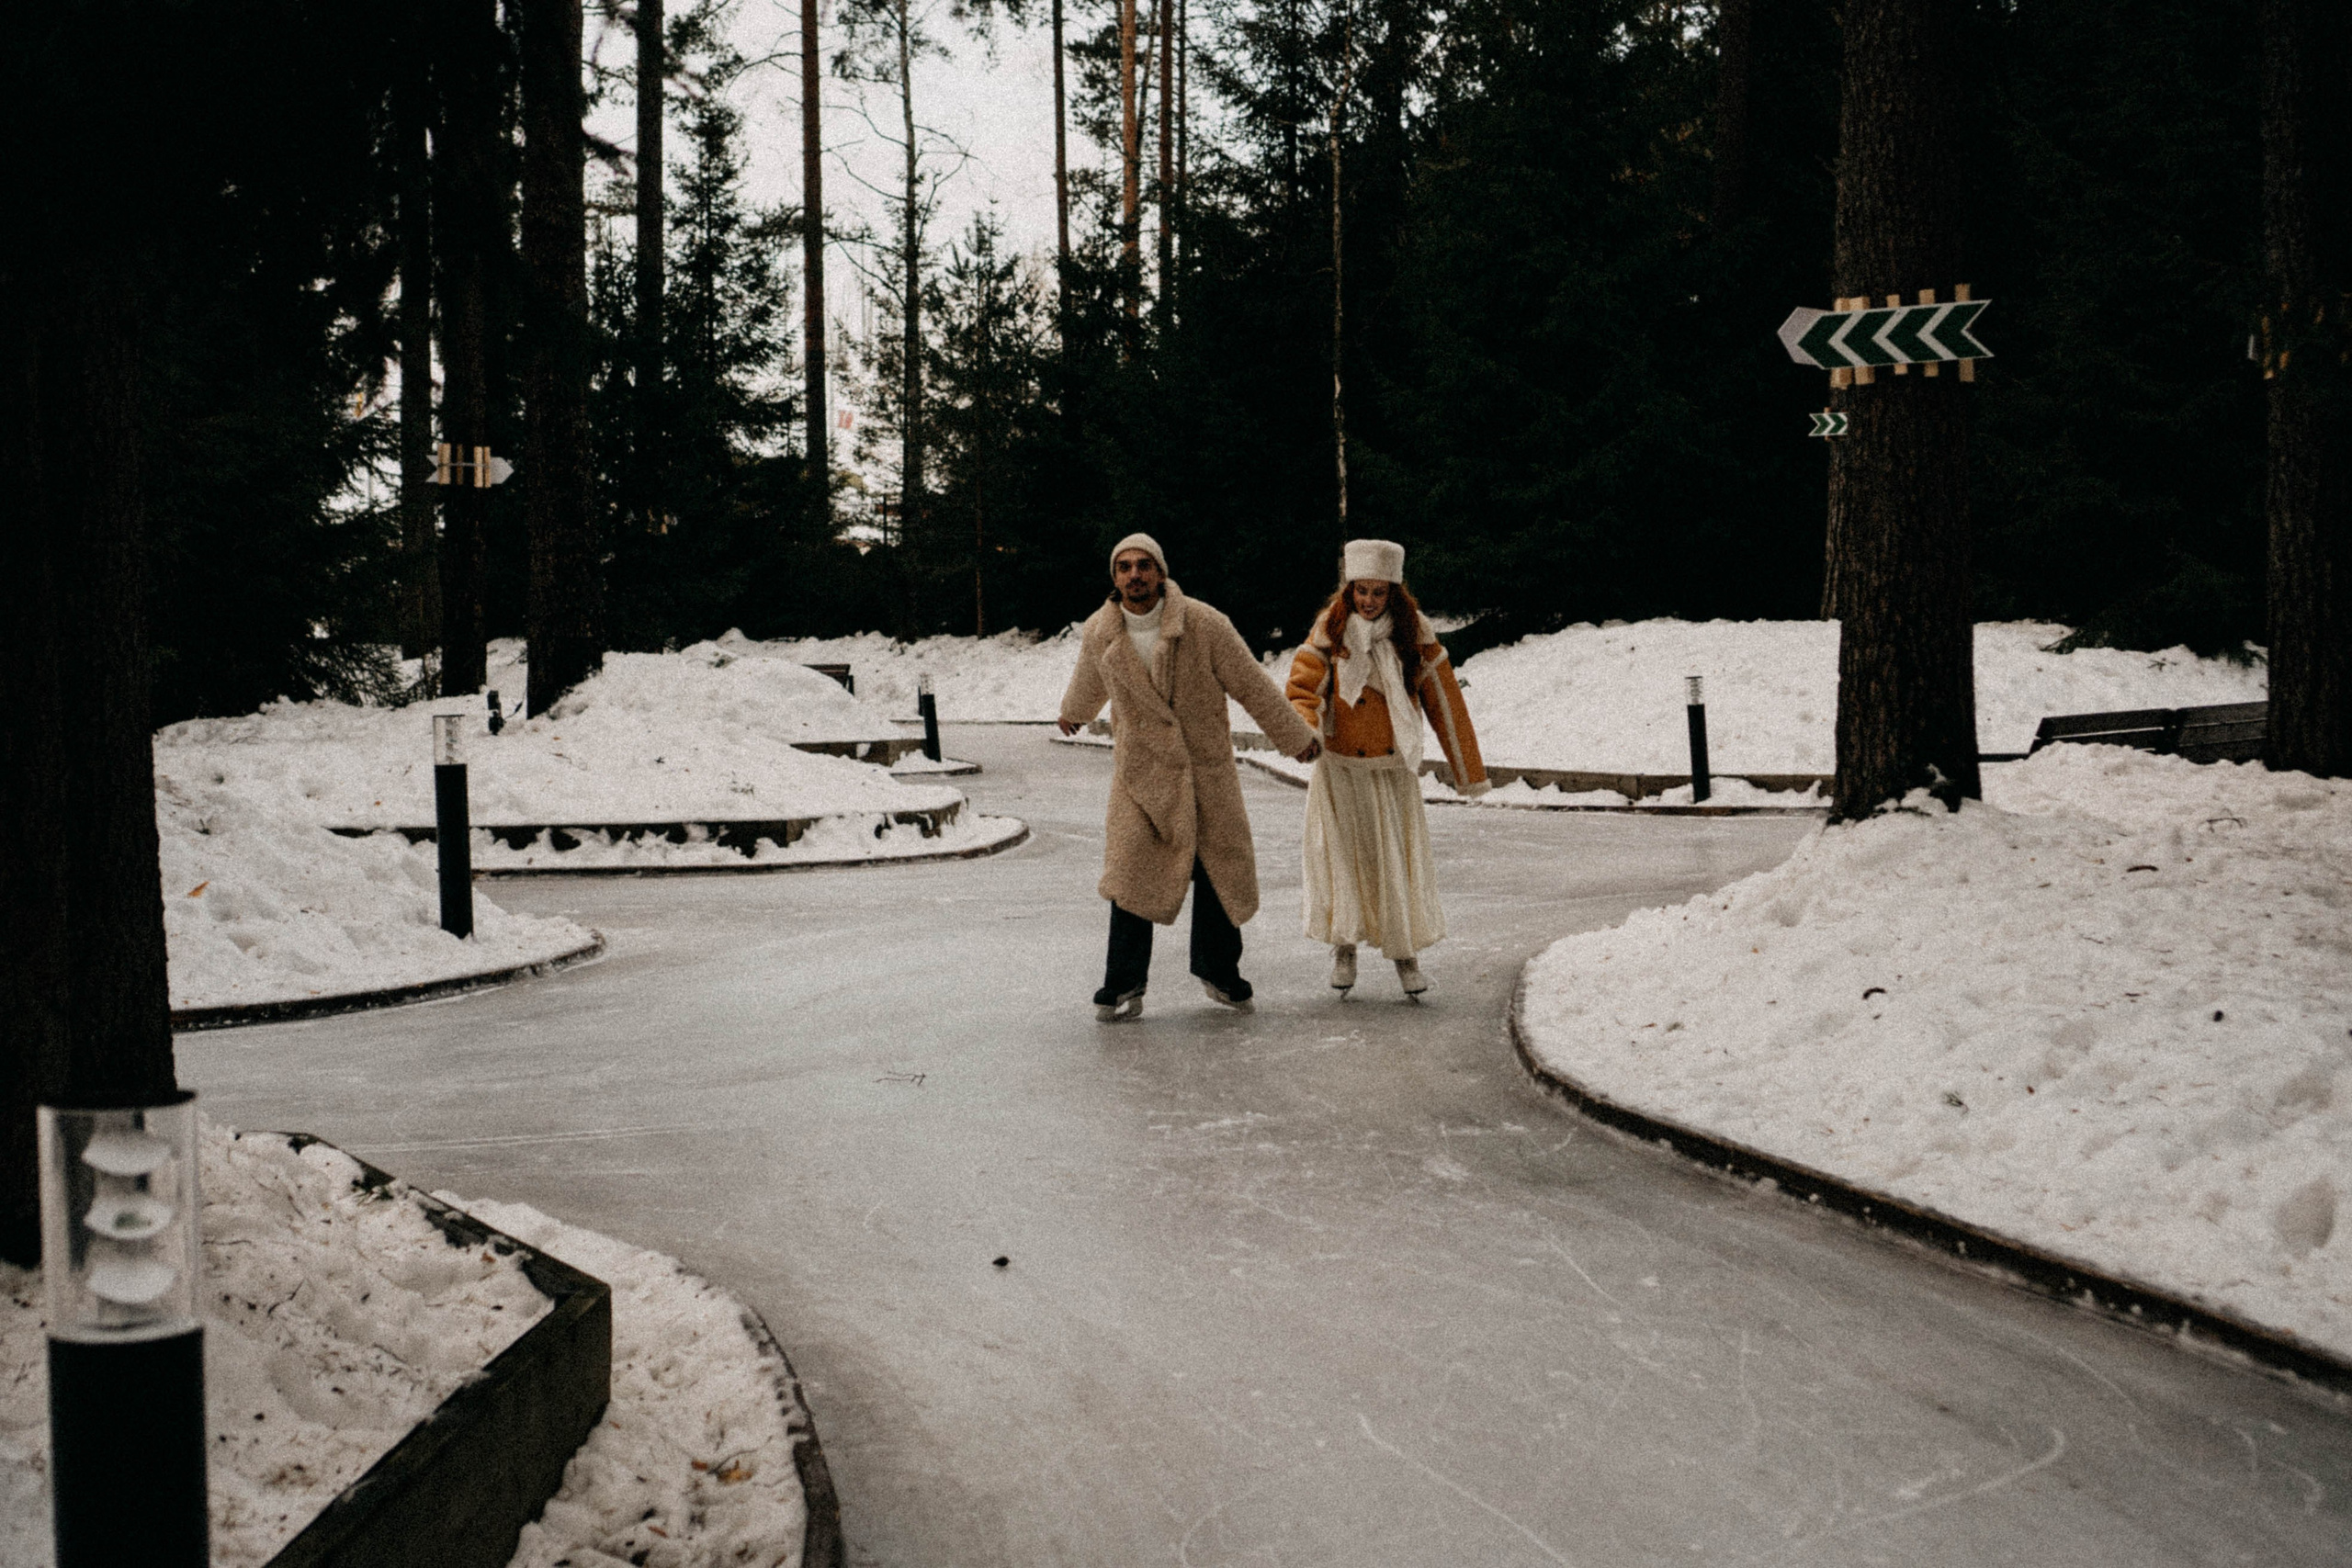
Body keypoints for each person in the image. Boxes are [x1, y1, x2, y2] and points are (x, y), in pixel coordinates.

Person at [1057, 535, 1321, 1021]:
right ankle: (1123, 982)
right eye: (1123, 568)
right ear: (1114, 577)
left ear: (1160, 572)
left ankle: (1219, 971)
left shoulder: (1203, 624)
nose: (1133, 575)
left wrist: (1295, 736)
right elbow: (1089, 681)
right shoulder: (1101, 631)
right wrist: (1074, 711)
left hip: (1205, 772)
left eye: (1143, 566)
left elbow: (1251, 684)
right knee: (1130, 874)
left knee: (1218, 870)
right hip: (1141, 778)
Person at [1284, 539, 1487, 998]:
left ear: (1393, 593)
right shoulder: (1329, 633)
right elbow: (1301, 690)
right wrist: (1305, 733)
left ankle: (1405, 957)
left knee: (1393, 867)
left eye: (1379, 593)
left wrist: (1468, 772)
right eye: (1362, 591)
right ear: (1350, 590)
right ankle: (1344, 947)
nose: (1369, 601)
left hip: (1392, 771)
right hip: (1339, 773)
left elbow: (1445, 704)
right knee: (1341, 861)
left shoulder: (1414, 636)